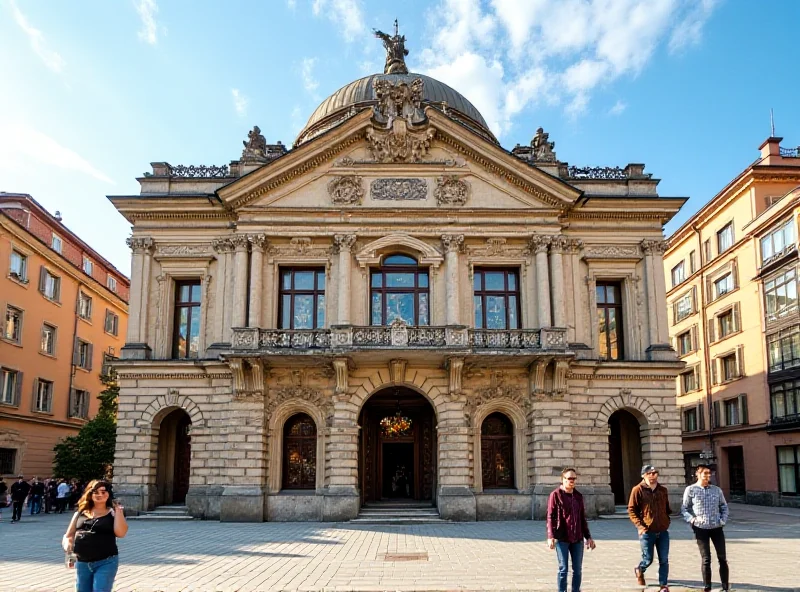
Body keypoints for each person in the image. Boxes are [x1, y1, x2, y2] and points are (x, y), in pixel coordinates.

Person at [63, 480, 128, 592]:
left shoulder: (113, 513)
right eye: (96, 492)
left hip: (106, 561)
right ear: (90, 494)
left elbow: (121, 533)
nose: (100, 495)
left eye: (103, 492)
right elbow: (68, 535)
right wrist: (69, 549)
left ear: (109, 494)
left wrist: (118, 511)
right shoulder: (80, 513)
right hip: (82, 562)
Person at [681, 464, 730, 592]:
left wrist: (723, 520)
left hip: (716, 527)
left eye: (709, 474)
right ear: (698, 474)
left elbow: (724, 506)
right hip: (700, 528)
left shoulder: (716, 490)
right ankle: (707, 586)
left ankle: (725, 586)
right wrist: (692, 519)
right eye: (705, 474)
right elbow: (684, 508)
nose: (708, 476)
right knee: (706, 558)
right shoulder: (691, 490)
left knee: (722, 557)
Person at [546, 467, 596, 592]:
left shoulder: (578, 496)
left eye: (574, 478)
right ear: (563, 480)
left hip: (577, 538)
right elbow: (550, 517)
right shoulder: (555, 495)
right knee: (563, 569)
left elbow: (582, 518)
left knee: (577, 570)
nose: (572, 481)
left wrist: (588, 537)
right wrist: (550, 536)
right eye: (569, 478)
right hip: (562, 537)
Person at [628, 464, 672, 592]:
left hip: (663, 530)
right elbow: (631, 510)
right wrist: (640, 526)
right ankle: (640, 569)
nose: (652, 475)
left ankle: (663, 585)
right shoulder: (638, 490)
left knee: (664, 559)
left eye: (655, 473)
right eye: (649, 473)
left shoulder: (663, 490)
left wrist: (666, 520)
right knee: (648, 559)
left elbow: (667, 508)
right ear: (643, 475)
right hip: (647, 531)